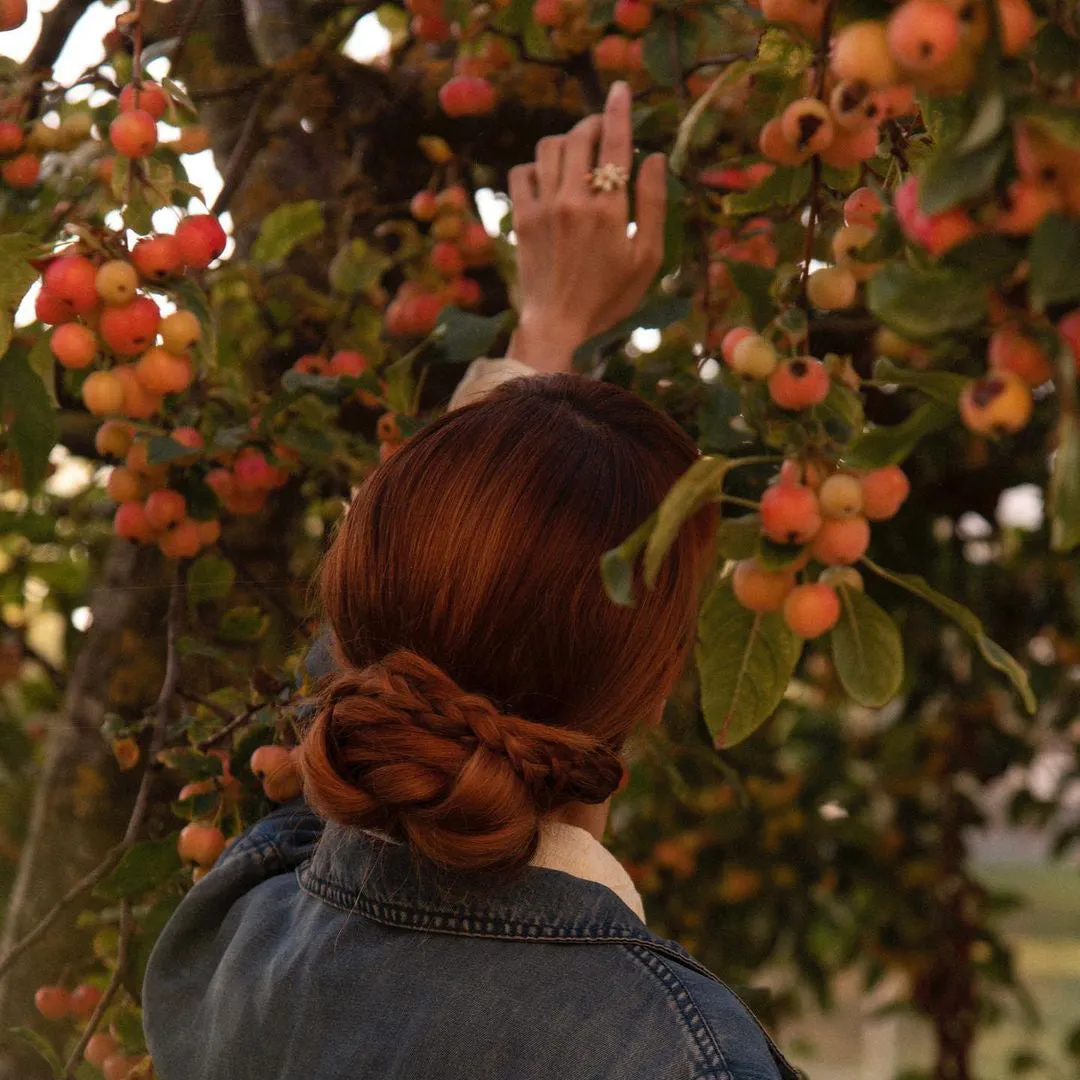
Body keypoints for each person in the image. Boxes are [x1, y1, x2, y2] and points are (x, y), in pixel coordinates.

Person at [142, 82, 800, 1080]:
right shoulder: (672, 1052)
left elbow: (380, 658)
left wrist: (545, 329)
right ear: (659, 689)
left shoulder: (245, 928)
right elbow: (380, 656)